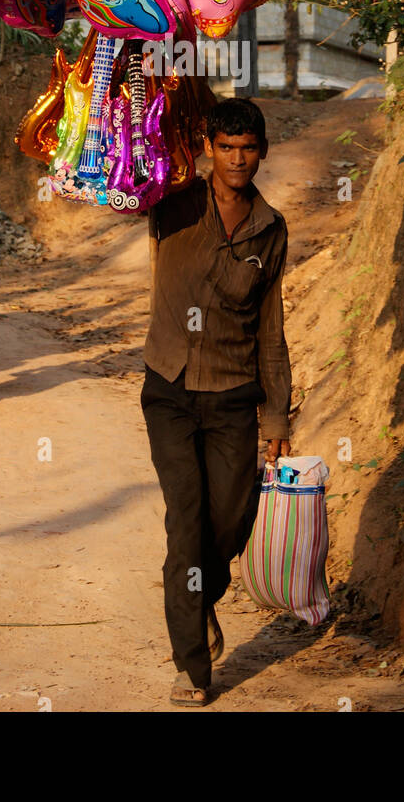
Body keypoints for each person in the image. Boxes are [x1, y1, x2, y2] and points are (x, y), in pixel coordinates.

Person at [140, 97, 292, 707]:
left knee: (229, 520)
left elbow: (271, 328)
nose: (236, 159)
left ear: (261, 152)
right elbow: (122, 184)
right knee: (187, 522)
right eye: (225, 147)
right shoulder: (170, 202)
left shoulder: (270, 227)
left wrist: (277, 415)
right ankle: (193, 669)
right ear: (208, 149)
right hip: (170, 391)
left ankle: (202, 597)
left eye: (247, 148)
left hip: (233, 393)